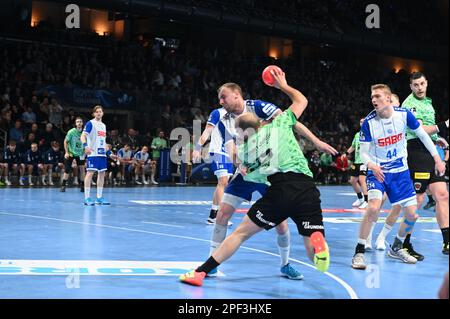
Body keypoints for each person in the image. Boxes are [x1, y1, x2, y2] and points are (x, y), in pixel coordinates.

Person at [180, 68, 330, 286]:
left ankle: (204, 271)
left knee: (246, 231)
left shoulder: (251, 131)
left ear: (236, 94)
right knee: (224, 214)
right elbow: (300, 102)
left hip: (268, 179)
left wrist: (244, 166)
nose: (221, 101)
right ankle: (317, 248)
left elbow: (242, 157)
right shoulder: (277, 124)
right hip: (303, 184)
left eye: (223, 97)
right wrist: (283, 86)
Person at [351, 84, 445, 270]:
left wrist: (437, 158)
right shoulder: (369, 123)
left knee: (412, 214)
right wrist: (371, 165)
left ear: (388, 98)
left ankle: (396, 247)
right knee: (373, 207)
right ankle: (359, 252)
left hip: (400, 172)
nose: (374, 100)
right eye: (372, 97)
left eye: (377, 96)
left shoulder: (403, 115)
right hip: (378, 171)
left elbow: (423, 136)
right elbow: (363, 153)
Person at [402, 72, 449, 255]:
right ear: (411, 86)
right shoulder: (410, 105)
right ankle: (403, 242)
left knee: (442, 195)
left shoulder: (427, 102)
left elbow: (429, 132)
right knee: (418, 199)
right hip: (416, 152)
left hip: (431, 150)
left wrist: (438, 139)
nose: (420, 88)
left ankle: (447, 242)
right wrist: (444, 125)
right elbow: (419, 130)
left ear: (426, 83)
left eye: (422, 84)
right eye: (416, 85)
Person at [193, 107, 236, 224]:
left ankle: (213, 215)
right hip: (217, 151)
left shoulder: (238, 114)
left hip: (228, 153)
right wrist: (198, 148)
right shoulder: (218, 112)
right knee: (223, 182)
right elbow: (207, 131)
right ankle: (221, 217)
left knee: (223, 184)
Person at [81, 105, 110, 205]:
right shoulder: (90, 123)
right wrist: (85, 146)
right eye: (96, 111)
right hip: (92, 153)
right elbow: (83, 135)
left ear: (103, 113)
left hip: (102, 155)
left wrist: (109, 153)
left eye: (100, 111)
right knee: (90, 173)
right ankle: (87, 198)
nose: (98, 113)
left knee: (102, 174)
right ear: (94, 113)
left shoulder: (104, 126)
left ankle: (99, 198)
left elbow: (103, 141)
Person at [342, 118, 368, 209]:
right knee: (352, 180)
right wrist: (346, 153)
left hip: (364, 161)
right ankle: (360, 198)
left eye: (363, 121)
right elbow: (353, 146)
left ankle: (366, 200)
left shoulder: (370, 133)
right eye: (360, 121)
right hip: (356, 161)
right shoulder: (357, 135)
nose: (362, 123)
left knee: (362, 180)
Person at [61, 117, 85, 192]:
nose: (79, 123)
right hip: (71, 153)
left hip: (80, 153)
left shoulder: (85, 133)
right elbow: (65, 142)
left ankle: (82, 186)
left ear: (82, 123)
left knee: (82, 169)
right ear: (75, 123)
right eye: (77, 122)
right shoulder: (71, 132)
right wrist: (66, 152)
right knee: (67, 169)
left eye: (80, 121)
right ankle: (63, 185)